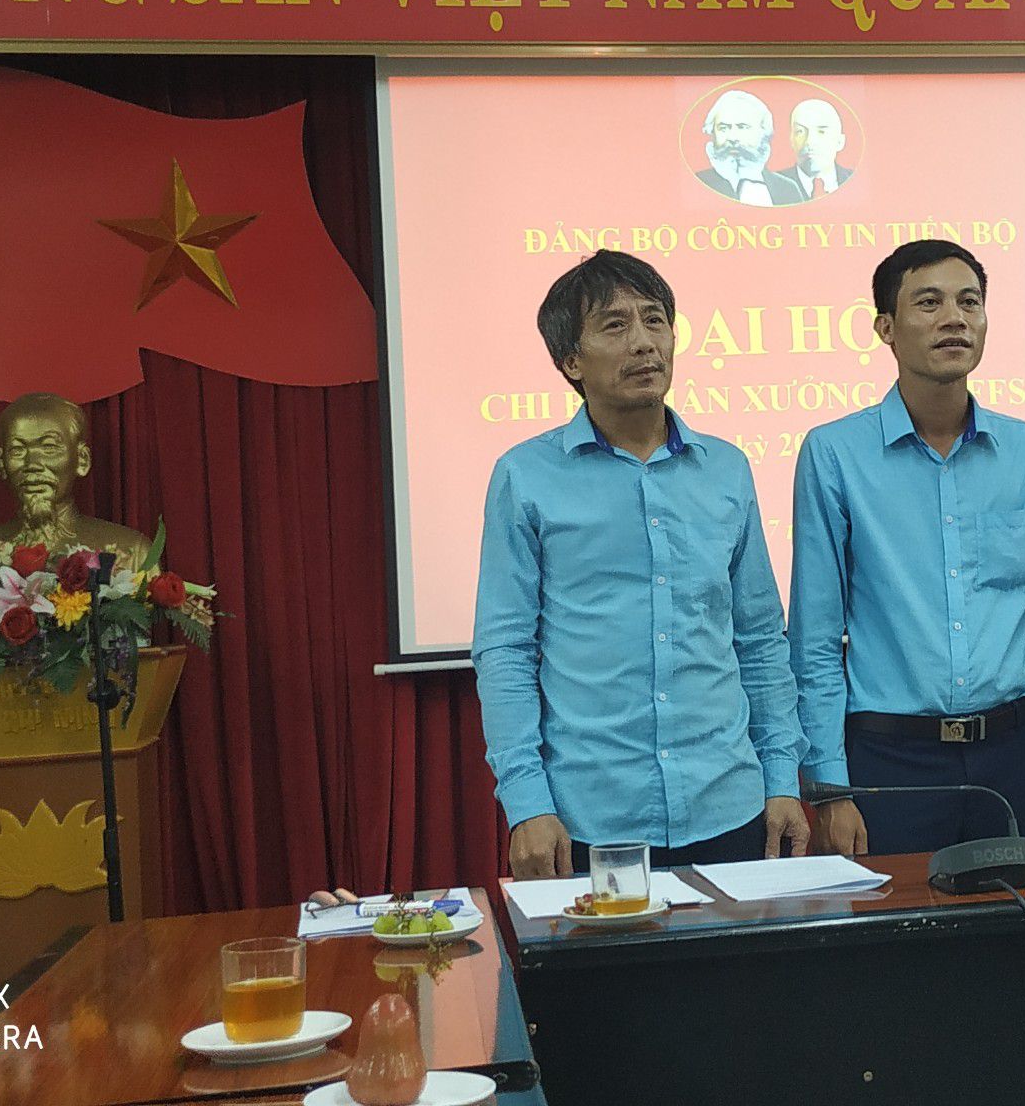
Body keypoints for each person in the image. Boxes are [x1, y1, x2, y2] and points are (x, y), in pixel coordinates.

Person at [322, 251, 805, 904]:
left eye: (655, 320)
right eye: (615, 325)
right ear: (571, 361)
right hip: (594, 818)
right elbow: (506, 649)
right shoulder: (526, 476)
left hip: (731, 805)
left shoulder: (726, 468)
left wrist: (781, 777)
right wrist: (526, 802)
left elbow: (759, 639)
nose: (644, 342)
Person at [792, 239, 1025, 856]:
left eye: (969, 302)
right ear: (885, 328)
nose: (954, 318)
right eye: (928, 303)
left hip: (1017, 755)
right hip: (889, 760)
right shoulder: (834, 454)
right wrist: (829, 786)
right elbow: (815, 638)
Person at [0, 392, 149, 565]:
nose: (32, 464)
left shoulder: (130, 553)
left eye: (49, 447)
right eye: (18, 450)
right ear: (1, 463)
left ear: (82, 460)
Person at [694, 89, 808, 206]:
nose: (732, 138)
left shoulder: (787, 189)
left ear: (763, 132)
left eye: (742, 127)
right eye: (723, 128)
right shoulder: (697, 184)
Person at [789, 98, 854, 198]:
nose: (809, 141)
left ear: (840, 142)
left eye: (821, 132)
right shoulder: (772, 186)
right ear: (791, 140)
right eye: (800, 131)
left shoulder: (856, 181)